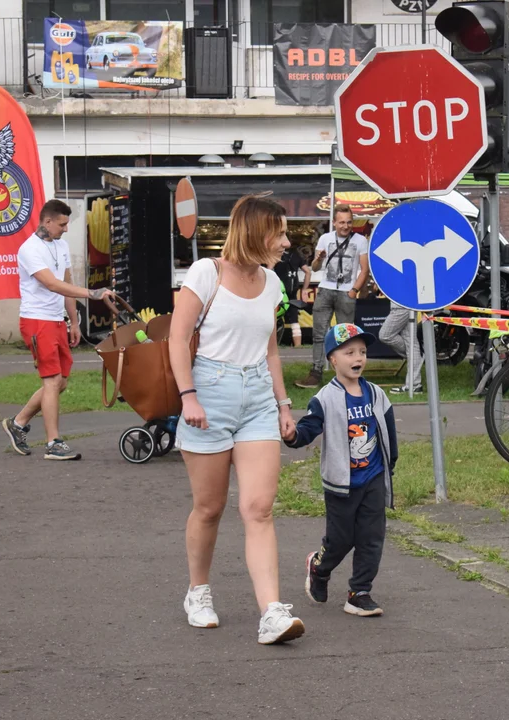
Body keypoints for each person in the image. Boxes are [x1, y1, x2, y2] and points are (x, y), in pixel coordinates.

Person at [170, 194, 304, 646]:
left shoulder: (270, 283)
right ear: (254, 232)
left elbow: (270, 351)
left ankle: (271, 613)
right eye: (280, 233)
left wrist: (284, 405)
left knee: (259, 508)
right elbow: (177, 338)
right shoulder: (206, 273)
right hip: (208, 394)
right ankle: (198, 592)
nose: (287, 242)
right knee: (210, 508)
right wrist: (188, 396)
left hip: (258, 403)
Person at [284, 323, 398, 617]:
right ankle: (319, 568)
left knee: (372, 538)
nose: (357, 357)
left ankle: (359, 592)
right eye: (349, 352)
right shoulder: (324, 398)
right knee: (340, 540)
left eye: (361, 351)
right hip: (341, 484)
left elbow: (388, 430)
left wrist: (390, 464)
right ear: (333, 359)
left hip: (372, 477)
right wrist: (294, 436)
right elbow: (310, 427)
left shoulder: (376, 394)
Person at [0, 199, 114, 461]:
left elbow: (66, 284)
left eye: (66, 224)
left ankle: (17, 424)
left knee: (60, 382)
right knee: (51, 381)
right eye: (62, 224)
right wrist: (93, 293)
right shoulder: (29, 249)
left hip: (56, 320)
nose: (65, 229)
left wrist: (74, 321)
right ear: (47, 221)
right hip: (36, 321)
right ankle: (53, 443)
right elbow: (51, 284)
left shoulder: (60, 245)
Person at [295, 205, 369, 389]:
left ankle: (346, 374)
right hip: (325, 289)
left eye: (349, 222)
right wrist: (318, 258)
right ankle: (316, 372)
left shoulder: (360, 240)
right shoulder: (325, 238)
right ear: (334, 223)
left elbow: (364, 269)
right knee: (319, 334)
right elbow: (316, 267)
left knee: (345, 337)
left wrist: (354, 290)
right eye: (342, 222)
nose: (345, 226)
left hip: (346, 292)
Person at [378, 302, 425, 394]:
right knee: (410, 341)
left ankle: (416, 357)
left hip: (401, 305)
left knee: (385, 335)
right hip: (405, 304)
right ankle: (414, 385)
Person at [272, 247, 311, 347]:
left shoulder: (276, 255)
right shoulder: (296, 256)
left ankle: (273, 346)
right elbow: (308, 271)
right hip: (292, 292)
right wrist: (305, 289)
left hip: (279, 292)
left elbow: (268, 270)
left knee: (274, 318)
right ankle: (298, 346)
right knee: (294, 321)